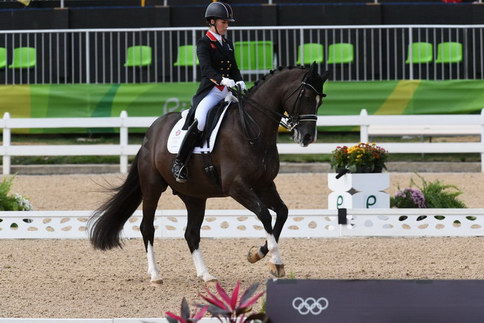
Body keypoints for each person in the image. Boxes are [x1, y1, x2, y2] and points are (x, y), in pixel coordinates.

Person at [172, 1, 246, 183]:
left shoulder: (227, 44)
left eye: (228, 23)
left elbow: (234, 68)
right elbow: (206, 69)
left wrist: (240, 80)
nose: (227, 26)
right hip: (211, 91)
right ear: (212, 21)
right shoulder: (204, 43)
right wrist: (222, 80)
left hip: (228, 91)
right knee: (202, 119)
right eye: (224, 22)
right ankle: (179, 162)